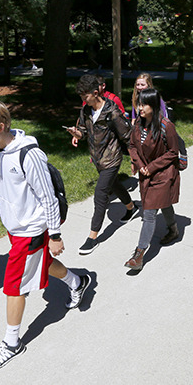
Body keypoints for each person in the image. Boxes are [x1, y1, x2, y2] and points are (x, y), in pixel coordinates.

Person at [0, 100, 90, 372]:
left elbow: (47, 197)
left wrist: (55, 235)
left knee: (14, 286)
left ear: (1, 126)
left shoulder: (28, 154)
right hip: (15, 227)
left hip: (32, 230)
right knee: (40, 264)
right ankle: (77, 282)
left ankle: (11, 343)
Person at [67, 75, 139, 255]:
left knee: (100, 194)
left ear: (96, 92)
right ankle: (131, 207)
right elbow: (84, 130)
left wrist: (134, 158)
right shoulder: (85, 111)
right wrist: (77, 134)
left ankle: (93, 237)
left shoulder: (111, 111)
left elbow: (126, 135)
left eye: (85, 96)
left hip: (112, 158)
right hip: (98, 159)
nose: (83, 100)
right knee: (114, 184)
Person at [125, 88, 181, 270]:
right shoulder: (138, 125)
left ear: (154, 106)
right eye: (139, 104)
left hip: (162, 174)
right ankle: (173, 229)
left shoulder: (166, 126)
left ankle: (138, 255)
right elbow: (132, 146)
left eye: (144, 104)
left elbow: (173, 152)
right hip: (146, 174)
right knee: (163, 203)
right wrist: (140, 164)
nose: (140, 108)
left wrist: (150, 167)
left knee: (149, 213)